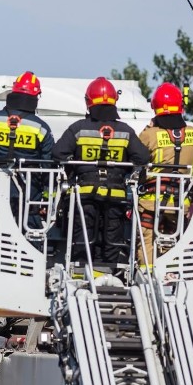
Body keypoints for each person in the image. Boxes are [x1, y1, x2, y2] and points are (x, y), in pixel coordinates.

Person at [53, 77, 150, 265]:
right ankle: (107, 271)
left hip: (84, 195)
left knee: (83, 235)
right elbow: (143, 158)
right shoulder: (125, 131)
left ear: (88, 102)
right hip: (116, 196)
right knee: (111, 238)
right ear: (115, 101)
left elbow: (58, 153)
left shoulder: (78, 128)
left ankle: (81, 272)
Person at [0, 71, 55, 228]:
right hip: (30, 195)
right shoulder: (41, 128)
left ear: (13, 92)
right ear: (36, 97)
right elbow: (48, 165)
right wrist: (46, 197)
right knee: (30, 236)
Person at [136, 82, 193, 266]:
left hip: (151, 202)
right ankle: (172, 276)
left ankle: (147, 276)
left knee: (146, 241)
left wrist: (149, 127)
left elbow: (135, 152)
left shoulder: (150, 134)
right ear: (180, 107)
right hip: (181, 202)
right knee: (175, 244)